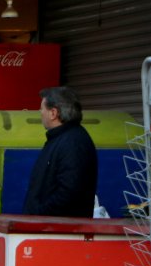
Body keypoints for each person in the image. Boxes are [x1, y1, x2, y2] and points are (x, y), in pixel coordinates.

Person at [22, 86, 98, 218]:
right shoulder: (60, 139)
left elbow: (69, 192)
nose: (40, 112)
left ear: (53, 113)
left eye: (42, 108)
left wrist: (40, 214)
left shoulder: (73, 142)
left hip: (57, 230)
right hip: (47, 227)